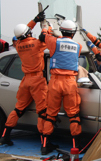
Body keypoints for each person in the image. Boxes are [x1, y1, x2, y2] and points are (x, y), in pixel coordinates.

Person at [0, 12, 48, 150]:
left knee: (18, 109)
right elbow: (45, 37)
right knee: (42, 111)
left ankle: (5, 136)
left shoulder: (18, 45)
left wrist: (34, 20)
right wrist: (45, 26)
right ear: (28, 34)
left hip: (25, 80)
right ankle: (44, 144)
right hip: (37, 79)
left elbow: (23, 32)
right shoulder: (36, 44)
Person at [39, 20, 82, 154]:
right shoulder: (78, 45)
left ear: (62, 30)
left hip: (55, 82)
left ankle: (45, 146)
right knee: (73, 115)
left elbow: (42, 37)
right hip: (70, 82)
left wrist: (47, 28)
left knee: (50, 114)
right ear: (73, 32)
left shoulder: (54, 42)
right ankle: (75, 147)